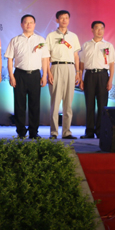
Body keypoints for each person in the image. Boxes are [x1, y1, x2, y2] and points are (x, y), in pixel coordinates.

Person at [5, 14, 49, 139]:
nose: (28, 24)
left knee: (35, 104)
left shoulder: (41, 40)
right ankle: (21, 131)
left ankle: (34, 132)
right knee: (19, 104)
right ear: (21, 24)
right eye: (26, 22)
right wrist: (11, 76)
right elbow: (9, 59)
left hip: (35, 75)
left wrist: (44, 75)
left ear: (34, 25)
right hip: (19, 74)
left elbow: (45, 59)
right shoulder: (15, 40)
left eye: (31, 22)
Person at [46, 10, 81, 139]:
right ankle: (54, 132)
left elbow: (76, 56)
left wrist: (78, 72)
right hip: (56, 67)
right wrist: (48, 72)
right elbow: (46, 56)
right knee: (55, 102)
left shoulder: (73, 36)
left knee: (68, 102)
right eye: (61, 18)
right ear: (57, 20)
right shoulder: (51, 36)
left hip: (70, 68)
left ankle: (67, 132)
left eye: (66, 18)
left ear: (69, 20)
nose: (64, 20)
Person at [78, 20, 115, 139]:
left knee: (102, 105)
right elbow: (82, 63)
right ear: (92, 30)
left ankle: (100, 130)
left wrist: (110, 80)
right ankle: (89, 131)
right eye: (97, 28)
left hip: (103, 76)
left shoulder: (108, 46)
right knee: (89, 105)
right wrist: (81, 79)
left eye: (102, 28)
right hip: (89, 75)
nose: (99, 30)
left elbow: (112, 64)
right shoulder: (86, 45)